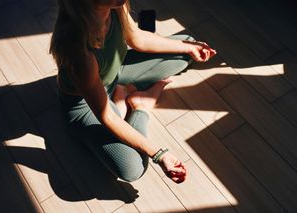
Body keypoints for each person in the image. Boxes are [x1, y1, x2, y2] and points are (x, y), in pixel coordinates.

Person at [49, 0, 216, 184]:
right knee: (132, 168)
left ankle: (121, 95)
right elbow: (107, 118)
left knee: (188, 47)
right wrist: (159, 154)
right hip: (86, 107)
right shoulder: (79, 52)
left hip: (115, 72)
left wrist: (188, 47)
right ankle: (140, 106)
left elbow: (138, 39)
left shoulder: (115, 6)